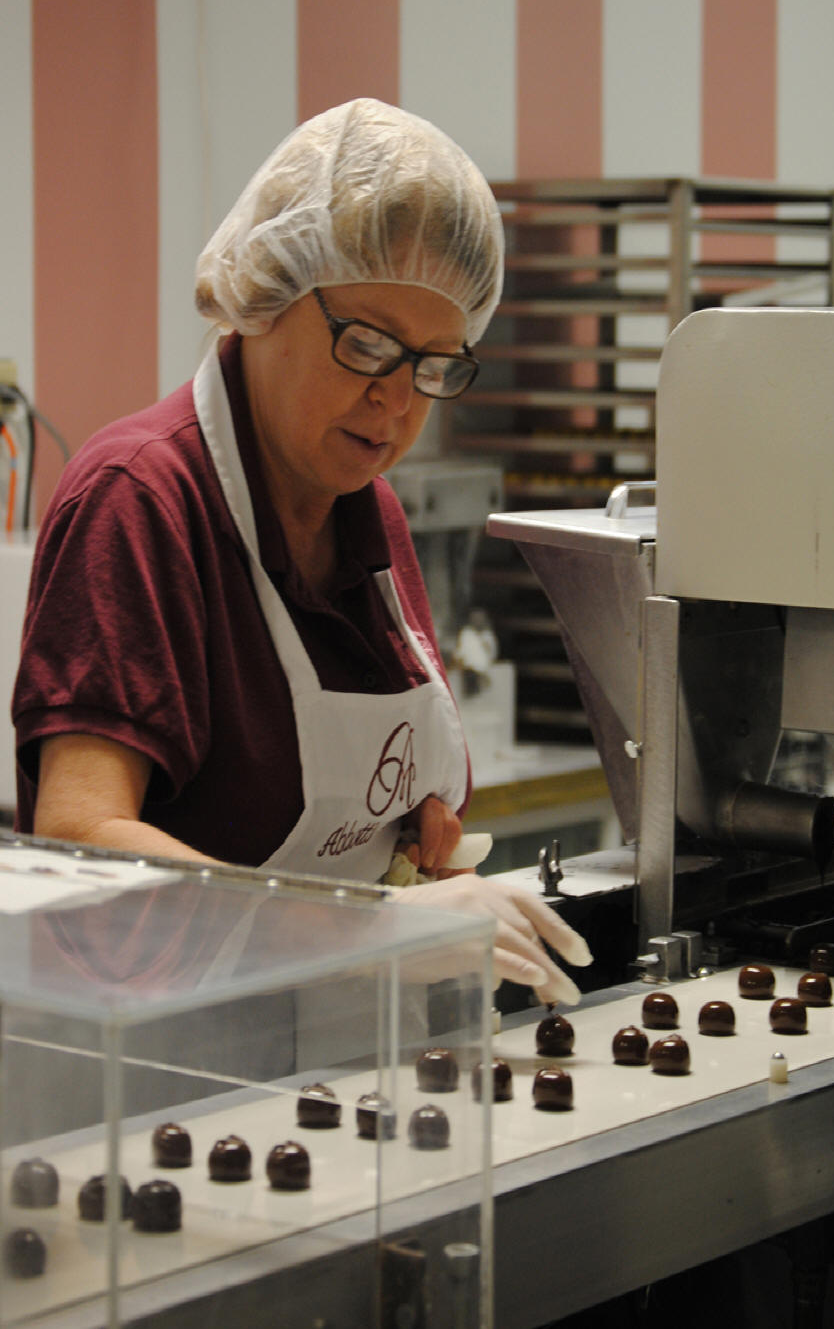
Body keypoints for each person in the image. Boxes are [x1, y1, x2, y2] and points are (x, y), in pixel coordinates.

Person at [12, 98, 590, 1003]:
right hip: (165, 1056)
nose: (398, 404)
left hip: (332, 1037)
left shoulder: (372, 514)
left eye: (435, 366)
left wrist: (409, 839)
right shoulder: (143, 500)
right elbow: (82, 834)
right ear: (264, 296)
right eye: (367, 346)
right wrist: (368, 929)